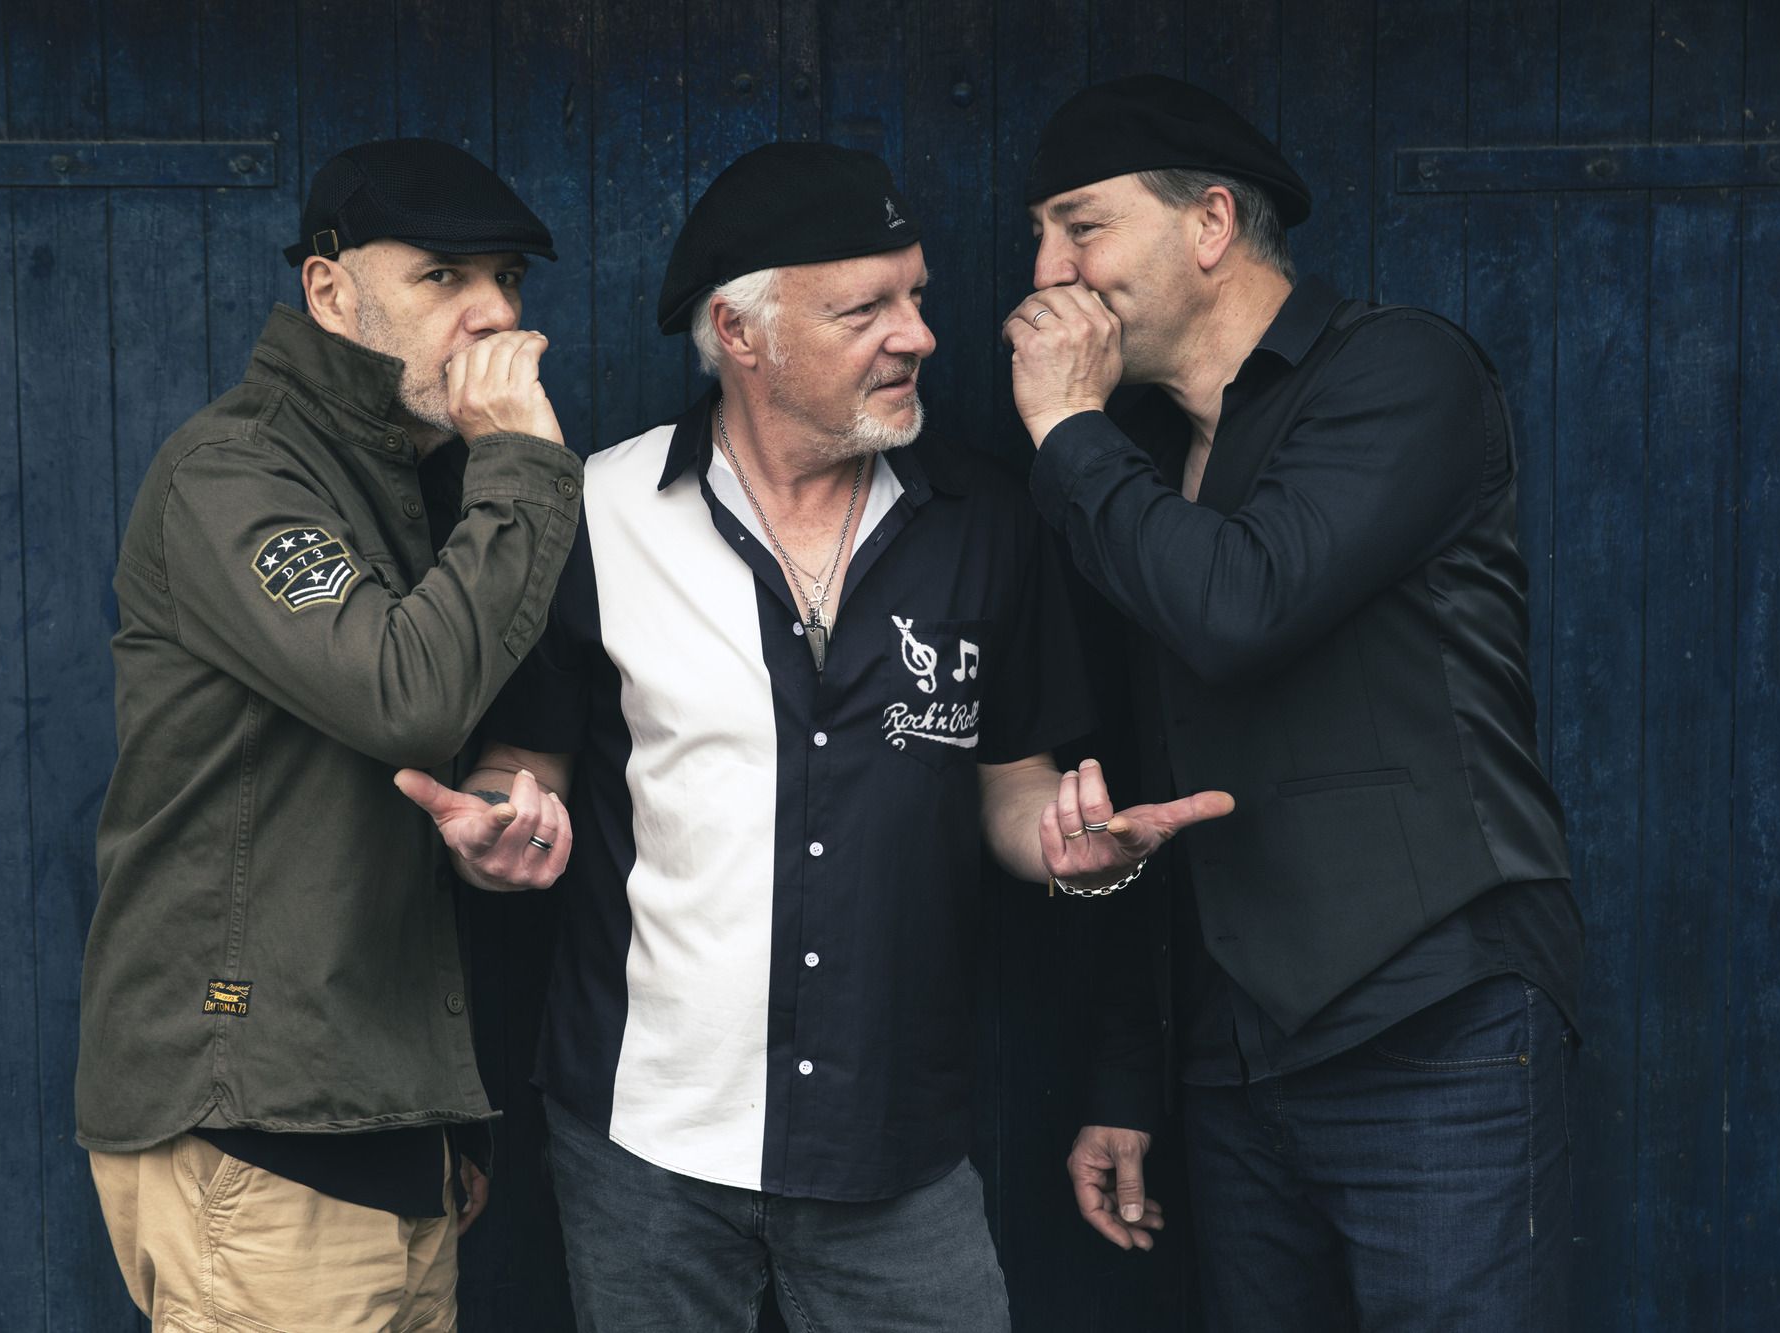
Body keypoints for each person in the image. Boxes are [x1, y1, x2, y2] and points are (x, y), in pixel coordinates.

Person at [395, 141, 1233, 1333]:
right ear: (740, 334)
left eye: (916, 297)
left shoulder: (985, 521)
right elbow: (526, 765)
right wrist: (497, 825)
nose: (918, 335)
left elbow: (1015, 785)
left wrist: (1066, 851)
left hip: (895, 1146)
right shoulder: (596, 511)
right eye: (863, 310)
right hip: (644, 1142)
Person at [1006, 76, 1583, 1331]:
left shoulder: (1397, 370)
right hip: (1234, 1058)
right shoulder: (1131, 461)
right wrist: (1127, 1077)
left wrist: (1062, 424)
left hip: (1433, 1022)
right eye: (1038, 236)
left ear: (1209, 223)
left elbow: (1241, 608)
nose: (1045, 273)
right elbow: (1141, 771)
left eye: (1080, 225)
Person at [76, 137, 584, 1331]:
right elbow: (404, 695)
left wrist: (496, 814)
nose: (493, 313)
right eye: (442, 276)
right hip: (259, 1132)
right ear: (327, 289)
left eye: (506, 279)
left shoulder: (439, 485)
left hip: (392, 1125)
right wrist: (522, 459)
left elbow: (462, 753)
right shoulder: (237, 470)